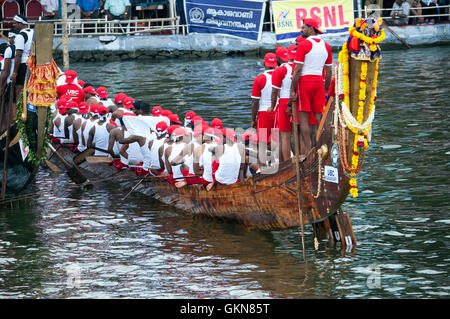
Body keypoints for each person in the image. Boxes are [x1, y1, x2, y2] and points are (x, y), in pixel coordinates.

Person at [289, 18, 332, 161]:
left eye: (304, 27)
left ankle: (308, 152)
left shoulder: (303, 45)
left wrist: (293, 90)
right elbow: (329, 71)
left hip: (305, 83)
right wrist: (325, 90)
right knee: (320, 118)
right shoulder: (326, 46)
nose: (301, 30)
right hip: (319, 82)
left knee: (303, 119)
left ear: (311, 29)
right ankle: (322, 147)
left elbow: (297, 70)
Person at [269, 44, 297, 162]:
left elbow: (275, 92)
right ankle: (301, 159)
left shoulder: (280, 70)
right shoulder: (301, 67)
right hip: (298, 101)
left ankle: (287, 164)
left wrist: (272, 105)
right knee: (298, 135)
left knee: (285, 137)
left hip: (285, 102)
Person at [251, 53, 277, 154]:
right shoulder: (280, 75)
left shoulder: (259, 79)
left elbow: (254, 102)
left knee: (262, 144)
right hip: (277, 112)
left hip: (264, 114)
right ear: (275, 64)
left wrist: (253, 119)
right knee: (276, 141)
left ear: (264, 64)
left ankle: (264, 165)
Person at [10, 15, 34, 100]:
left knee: (19, 91)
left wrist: (14, 73)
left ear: (21, 24)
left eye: (15, 23)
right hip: (34, 65)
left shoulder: (20, 36)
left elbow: (18, 55)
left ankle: (20, 111)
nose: (13, 25)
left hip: (24, 65)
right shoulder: (33, 32)